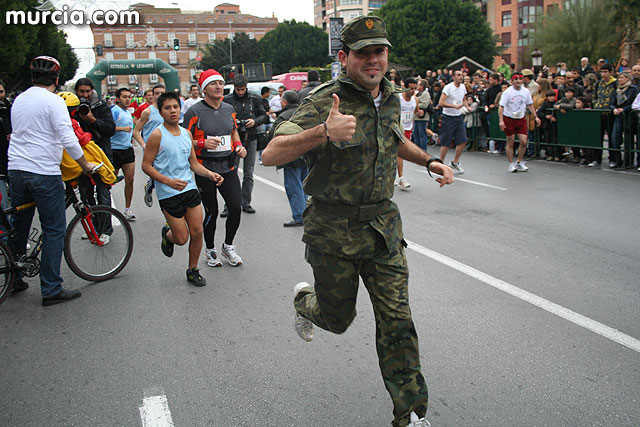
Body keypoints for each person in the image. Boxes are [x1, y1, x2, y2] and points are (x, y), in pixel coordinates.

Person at [262, 16, 454, 427]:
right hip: (333, 233)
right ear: (343, 57)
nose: (373, 60)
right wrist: (322, 133)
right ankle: (304, 303)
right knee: (338, 319)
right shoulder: (320, 101)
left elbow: (395, 139)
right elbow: (271, 154)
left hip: (383, 230)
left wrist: (430, 161)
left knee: (398, 322)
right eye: (363, 52)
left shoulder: (389, 96)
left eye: (379, 52)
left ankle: (411, 414)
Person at [9, 56, 96, 305]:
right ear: (57, 80)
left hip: (17, 169)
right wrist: (85, 165)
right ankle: (51, 288)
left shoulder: (19, 100)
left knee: (20, 225)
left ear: (32, 77)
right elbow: (68, 138)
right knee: (54, 229)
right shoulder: (54, 102)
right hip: (43, 172)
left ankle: (15, 277)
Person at [142, 92, 224, 287]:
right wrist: (168, 182)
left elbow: (193, 164)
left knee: (197, 232)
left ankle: (193, 270)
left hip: (190, 190)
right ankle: (168, 235)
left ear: (180, 109)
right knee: (181, 238)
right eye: (167, 108)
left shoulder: (187, 134)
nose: (172, 111)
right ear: (161, 112)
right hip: (168, 193)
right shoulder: (157, 135)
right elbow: (146, 166)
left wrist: (209, 174)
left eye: (175, 107)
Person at [182, 69, 247, 267]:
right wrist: (201, 144)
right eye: (213, 83)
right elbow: (184, 140)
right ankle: (210, 250)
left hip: (228, 167)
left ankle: (228, 246)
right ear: (204, 89)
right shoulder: (195, 111)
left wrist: (239, 146)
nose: (218, 86)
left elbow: (233, 131)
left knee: (236, 208)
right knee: (211, 211)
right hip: (205, 170)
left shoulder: (229, 109)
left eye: (220, 83)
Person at [222, 74, 268, 215]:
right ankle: (229, 204)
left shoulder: (254, 98)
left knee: (248, 173)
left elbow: (264, 116)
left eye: (242, 89)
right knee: (231, 172)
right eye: (238, 89)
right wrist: (232, 123)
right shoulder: (227, 100)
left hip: (251, 137)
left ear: (246, 87)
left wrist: (254, 121)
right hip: (233, 140)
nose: (240, 92)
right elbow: (221, 116)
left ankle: (245, 202)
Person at [267, 90, 307, 227]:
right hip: (307, 154)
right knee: (304, 185)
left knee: (293, 186)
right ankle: (306, 213)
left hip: (291, 156)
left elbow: (272, 135)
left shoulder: (283, 116)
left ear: (285, 102)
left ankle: (299, 215)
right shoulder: (305, 111)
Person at [498, 72, 541, 172]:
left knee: (524, 141)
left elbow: (530, 104)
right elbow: (501, 107)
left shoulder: (525, 91)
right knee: (511, 141)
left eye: (520, 79)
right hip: (509, 118)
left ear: (522, 81)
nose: (518, 81)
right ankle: (510, 163)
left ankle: (519, 162)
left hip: (521, 118)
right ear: (512, 81)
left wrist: (536, 116)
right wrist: (501, 121)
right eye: (515, 79)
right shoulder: (508, 92)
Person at [133, 84, 166, 206]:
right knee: (160, 180)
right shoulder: (148, 112)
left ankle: (150, 185)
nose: (159, 96)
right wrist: (143, 145)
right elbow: (136, 131)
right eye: (157, 93)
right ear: (153, 96)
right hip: (151, 150)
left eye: (162, 93)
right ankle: (151, 187)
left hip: (167, 149)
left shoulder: (170, 110)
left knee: (166, 178)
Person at [110, 87, 137, 220]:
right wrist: (122, 129)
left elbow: (131, 128)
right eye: (124, 97)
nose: (127, 99)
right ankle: (105, 208)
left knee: (130, 180)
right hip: (114, 150)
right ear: (118, 99)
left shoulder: (128, 112)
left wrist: (132, 139)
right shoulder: (114, 111)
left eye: (129, 97)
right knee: (109, 182)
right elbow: (107, 127)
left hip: (127, 150)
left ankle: (127, 209)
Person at [438, 69, 469, 174]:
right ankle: (441, 164)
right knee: (446, 143)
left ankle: (455, 162)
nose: (461, 77)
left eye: (462, 75)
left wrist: (467, 106)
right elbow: (441, 102)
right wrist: (453, 106)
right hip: (448, 117)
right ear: (454, 77)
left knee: (463, 141)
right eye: (459, 75)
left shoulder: (463, 87)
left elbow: (464, 98)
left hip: (458, 116)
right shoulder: (448, 88)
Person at [609, 71, 638, 168]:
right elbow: (612, 102)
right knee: (615, 139)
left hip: (629, 117)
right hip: (618, 117)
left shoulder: (633, 89)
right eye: (619, 78)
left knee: (628, 140)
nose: (620, 79)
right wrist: (614, 108)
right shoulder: (616, 90)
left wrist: (624, 109)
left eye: (622, 77)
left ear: (627, 78)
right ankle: (618, 160)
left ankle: (628, 161)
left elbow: (635, 103)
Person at [397, 77, 419, 188]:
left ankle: (395, 176)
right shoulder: (398, 98)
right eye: (411, 89)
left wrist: (419, 113)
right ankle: (401, 178)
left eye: (415, 88)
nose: (413, 91)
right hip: (396, 128)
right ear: (404, 88)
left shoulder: (415, 99)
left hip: (408, 128)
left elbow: (416, 111)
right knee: (400, 153)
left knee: (398, 153)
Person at [412, 79, 432, 151]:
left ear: (422, 86)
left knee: (422, 134)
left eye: (418, 84)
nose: (417, 85)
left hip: (423, 117)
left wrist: (415, 103)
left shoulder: (425, 93)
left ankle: (423, 151)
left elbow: (425, 105)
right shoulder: (417, 93)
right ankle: (418, 150)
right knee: (415, 134)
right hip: (417, 116)